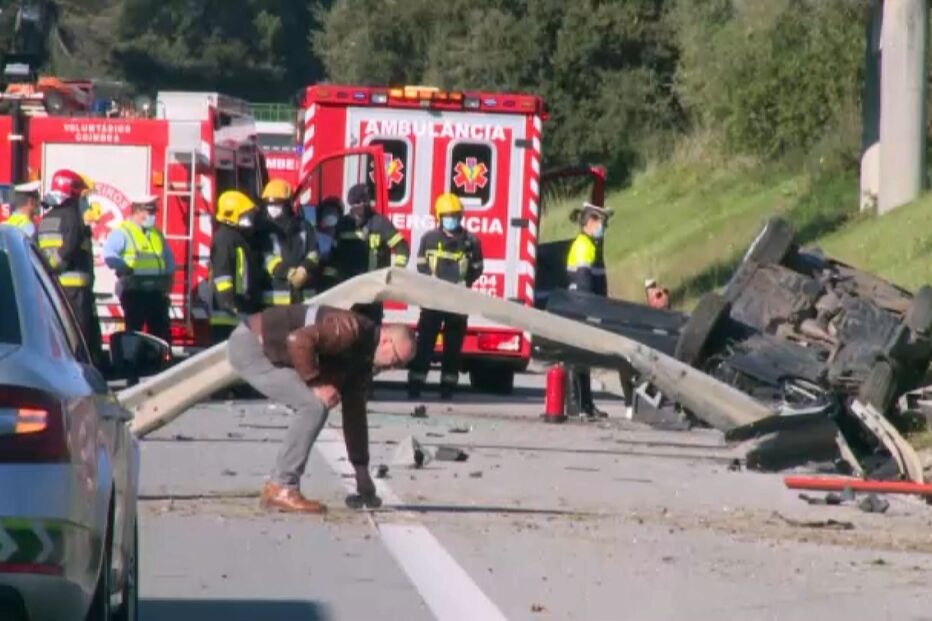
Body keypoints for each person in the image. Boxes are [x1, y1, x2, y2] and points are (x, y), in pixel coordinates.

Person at [227, 304, 416, 513]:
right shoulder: (350, 328)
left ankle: (280, 486)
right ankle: (282, 486)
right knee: (313, 406)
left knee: (315, 404)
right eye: (396, 361)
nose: (392, 368)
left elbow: (354, 413)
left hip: (269, 349)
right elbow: (298, 340)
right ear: (387, 341)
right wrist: (316, 383)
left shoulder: (363, 358)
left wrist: (361, 470)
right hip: (253, 346)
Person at [407, 193, 484, 400]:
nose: (453, 219)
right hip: (433, 300)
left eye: (456, 215)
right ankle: (416, 383)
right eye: (448, 215)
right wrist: (432, 284)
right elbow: (421, 264)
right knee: (425, 343)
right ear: (439, 217)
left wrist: (462, 285)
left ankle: (447, 386)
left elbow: (477, 269)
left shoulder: (471, 242)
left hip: (458, 302)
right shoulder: (429, 239)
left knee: (453, 346)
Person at [36, 169, 102, 363]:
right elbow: (69, 247)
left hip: (53, 288)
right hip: (76, 290)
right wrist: (56, 266)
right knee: (80, 333)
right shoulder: (73, 218)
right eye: (82, 195)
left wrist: (48, 272)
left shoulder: (46, 220)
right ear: (72, 194)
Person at [330, 183, 409, 324]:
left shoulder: (380, 223)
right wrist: (333, 281)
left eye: (365, 201)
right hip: (348, 287)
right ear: (351, 204)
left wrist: (393, 273)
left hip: (373, 288)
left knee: (371, 328)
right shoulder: (343, 224)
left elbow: (402, 249)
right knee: (348, 327)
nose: (362, 205)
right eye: (358, 202)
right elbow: (334, 255)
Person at [103, 195, 175, 345]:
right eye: (150, 212)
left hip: (157, 293)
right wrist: (124, 269)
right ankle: (133, 365)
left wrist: (169, 276)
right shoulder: (123, 232)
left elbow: (168, 258)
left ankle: (160, 366)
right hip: (135, 292)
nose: (153, 216)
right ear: (137, 211)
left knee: (161, 336)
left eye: (154, 212)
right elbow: (109, 255)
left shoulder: (156, 233)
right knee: (135, 335)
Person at [565, 202, 614, 418]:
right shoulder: (583, 246)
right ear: (590, 223)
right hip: (580, 307)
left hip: (585, 306)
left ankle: (586, 404)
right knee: (577, 358)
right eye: (602, 222)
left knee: (585, 358)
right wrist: (591, 308)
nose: (604, 227)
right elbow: (584, 282)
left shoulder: (591, 245)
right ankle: (576, 405)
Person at [209, 190, 262, 342]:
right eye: (246, 215)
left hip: (240, 306)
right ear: (231, 214)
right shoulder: (225, 239)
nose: (250, 219)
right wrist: (229, 303)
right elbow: (222, 275)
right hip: (227, 314)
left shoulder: (238, 237)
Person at [258, 179, 320, 306]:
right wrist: (289, 273)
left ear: (287, 204)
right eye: (269, 204)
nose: (272, 208)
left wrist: (304, 268)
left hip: (303, 297)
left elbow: (314, 253)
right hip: (275, 298)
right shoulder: (262, 230)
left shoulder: (304, 226)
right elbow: (265, 257)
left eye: (277, 204)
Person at [315, 196, 343, 291]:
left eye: (333, 213)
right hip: (320, 283)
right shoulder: (315, 235)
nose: (330, 216)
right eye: (327, 212)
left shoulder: (342, 234)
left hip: (336, 283)